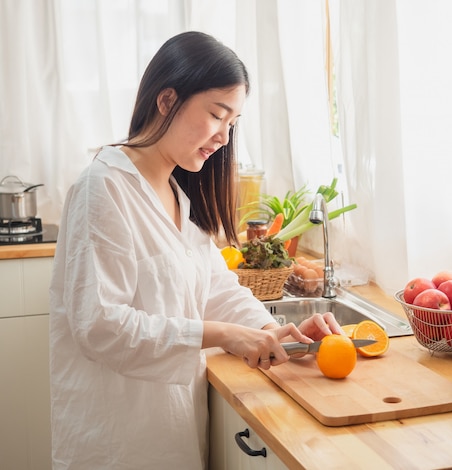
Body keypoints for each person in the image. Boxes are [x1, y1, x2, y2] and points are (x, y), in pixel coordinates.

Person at [49, 31, 343, 470]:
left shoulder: (176, 194)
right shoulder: (103, 189)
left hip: (169, 434)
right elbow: (100, 325)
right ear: (167, 100)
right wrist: (223, 335)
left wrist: (277, 334)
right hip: (112, 443)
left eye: (232, 123)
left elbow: (216, 289)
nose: (224, 137)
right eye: (217, 115)